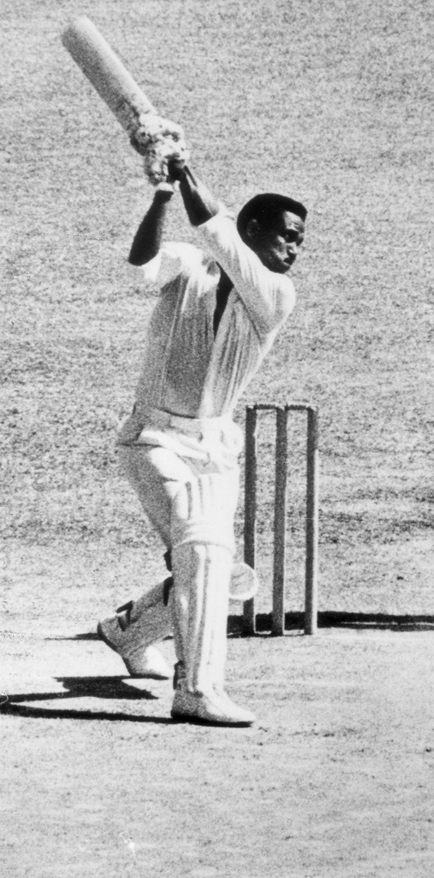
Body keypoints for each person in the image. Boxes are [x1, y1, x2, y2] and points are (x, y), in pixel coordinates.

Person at [95, 160, 307, 725]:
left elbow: (214, 227)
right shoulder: (190, 264)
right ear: (252, 229)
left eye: (299, 241)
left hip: (214, 448)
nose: (294, 249)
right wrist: (165, 193)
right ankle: (196, 689)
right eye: (286, 235)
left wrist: (183, 169)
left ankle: (129, 631)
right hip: (152, 437)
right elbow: (141, 261)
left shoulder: (276, 293)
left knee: (221, 573)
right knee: (205, 550)